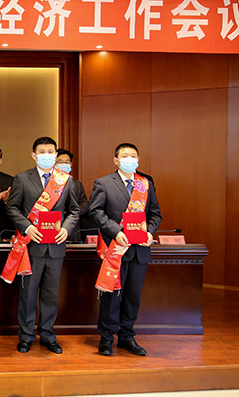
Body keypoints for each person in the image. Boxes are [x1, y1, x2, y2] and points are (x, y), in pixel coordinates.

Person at [5, 136, 79, 354]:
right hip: (31, 246)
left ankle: (47, 335)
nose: (47, 155)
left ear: (56, 155)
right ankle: (26, 335)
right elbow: (12, 208)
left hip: (56, 246)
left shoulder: (65, 180)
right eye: (42, 152)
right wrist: (27, 227)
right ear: (34, 155)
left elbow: (74, 210)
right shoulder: (22, 178)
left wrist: (67, 228)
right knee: (27, 294)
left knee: (50, 295)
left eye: (50, 152)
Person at [89, 143, 162, 357]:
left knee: (132, 296)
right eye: (125, 155)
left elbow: (155, 214)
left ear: (138, 159)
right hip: (116, 248)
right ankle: (106, 338)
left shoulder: (145, 183)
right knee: (111, 295)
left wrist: (150, 232)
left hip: (139, 250)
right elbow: (95, 211)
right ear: (116, 160)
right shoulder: (103, 183)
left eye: (133, 156)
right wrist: (116, 231)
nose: (129, 159)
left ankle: (127, 336)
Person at [55, 149, 95, 242]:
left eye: (67, 162)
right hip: (53, 223)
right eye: (60, 162)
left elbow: (84, 204)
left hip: (73, 227)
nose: (64, 164)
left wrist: (72, 211)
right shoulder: (48, 183)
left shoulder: (77, 184)